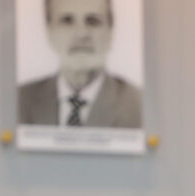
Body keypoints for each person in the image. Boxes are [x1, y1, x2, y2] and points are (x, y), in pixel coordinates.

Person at [17, 0, 141, 128]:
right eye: (67, 21)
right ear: (49, 31)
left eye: (93, 21)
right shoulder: (18, 101)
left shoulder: (139, 105)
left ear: (110, 30)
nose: (81, 34)